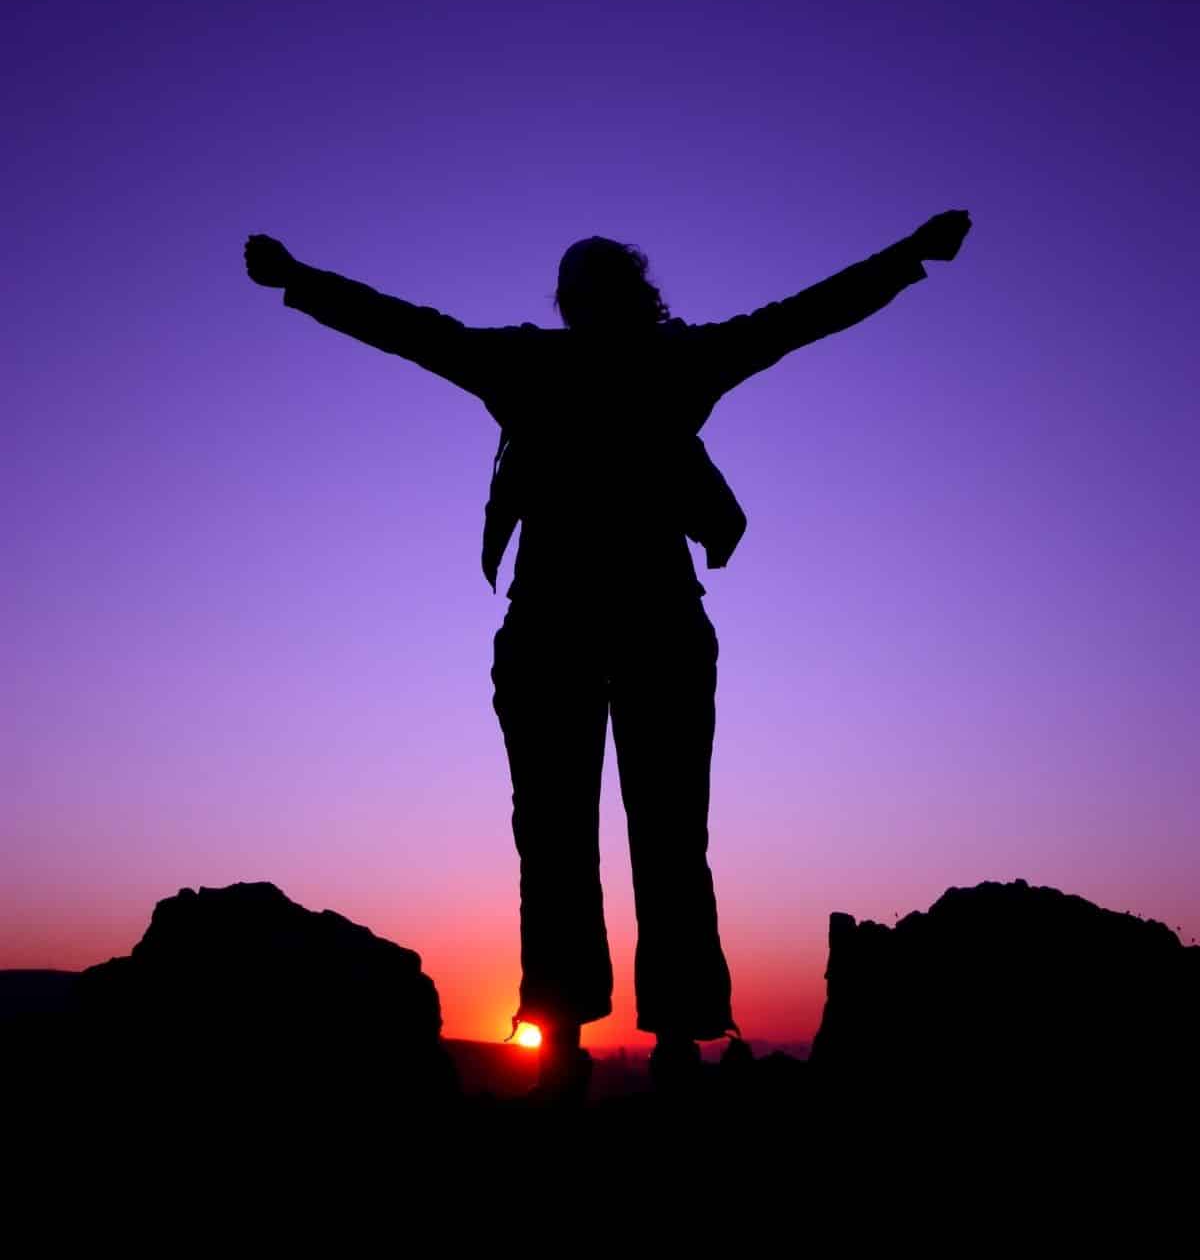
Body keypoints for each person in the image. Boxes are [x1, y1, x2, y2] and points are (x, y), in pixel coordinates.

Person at [244, 208, 971, 1099]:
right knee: (610, 837)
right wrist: (298, 281)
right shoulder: (642, 361)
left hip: (606, 628)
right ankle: (612, 1039)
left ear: (603, 298)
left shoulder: (570, 361)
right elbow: (407, 329)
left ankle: (614, 1040)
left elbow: (803, 316)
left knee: (606, 838)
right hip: (604, 629)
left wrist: (906, 257)